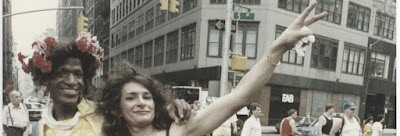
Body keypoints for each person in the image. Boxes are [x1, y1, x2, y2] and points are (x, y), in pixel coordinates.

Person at [99, 1, 328, 135]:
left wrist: (278, 47)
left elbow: (239, 97)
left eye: (146, 96)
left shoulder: (178, 130)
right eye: (130, 97)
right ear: (116, 108)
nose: (141, 102)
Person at [18, 33, 193, 136]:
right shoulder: (35, 130)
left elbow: (144, 118)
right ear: (47, 78)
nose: (71, 81)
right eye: (62, 73)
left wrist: (171, 110)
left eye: (78, 74)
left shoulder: (105, 113)